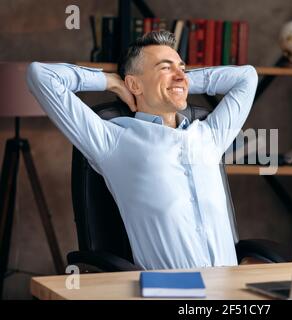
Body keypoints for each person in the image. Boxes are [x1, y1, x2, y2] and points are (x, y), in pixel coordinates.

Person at [26, 30, 258, 270]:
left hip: (230, 291)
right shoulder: (112, 140)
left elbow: (247, 77)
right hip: (170, 292)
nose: (180, 74)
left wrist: (178, 83)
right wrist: (112, 81)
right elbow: (40, 75)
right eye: (165, 68)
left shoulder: (210, 134)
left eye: (182, 67)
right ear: (134, 83)